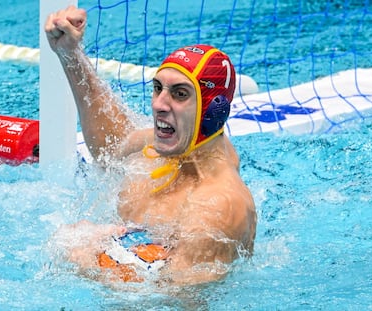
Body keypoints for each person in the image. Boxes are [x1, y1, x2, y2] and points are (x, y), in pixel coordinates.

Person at [45, 5, 256, 286]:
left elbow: (175, 300)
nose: (158, 104)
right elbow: (111, 147)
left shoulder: (216, 207)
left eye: (180, 94)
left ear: (213, 111)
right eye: (158, 88)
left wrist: (85, 255)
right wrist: (70, 55)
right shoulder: (173, 147)